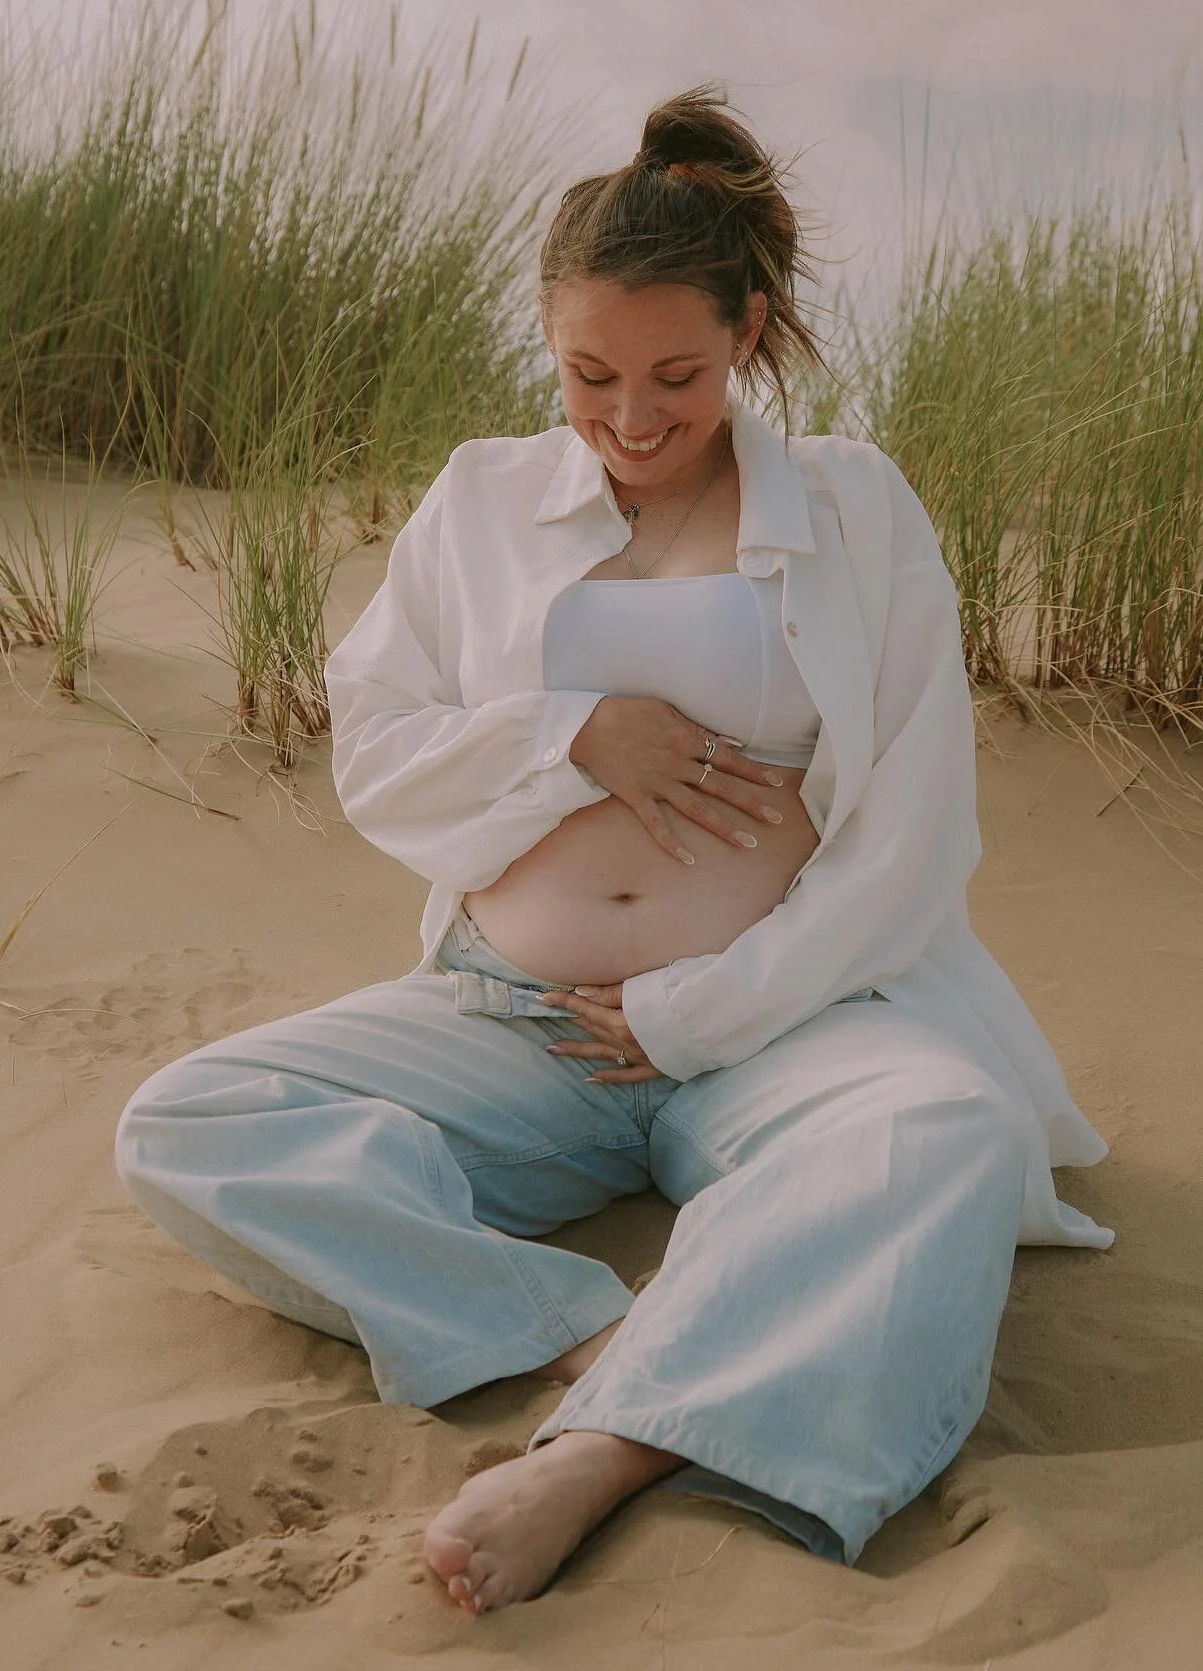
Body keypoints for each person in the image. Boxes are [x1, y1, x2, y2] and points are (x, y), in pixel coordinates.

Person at [114, 84, 1113, 1616]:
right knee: (192, 1119)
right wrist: (574, 733)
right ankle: (586, 1330)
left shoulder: (856, 510)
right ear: (545, 339)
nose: (633, 420)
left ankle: (609, 1449)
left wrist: (696, 1010)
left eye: (678, 377)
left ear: (748, 332)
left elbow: (917, 831)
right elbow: (376, 749)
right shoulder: (481, 500)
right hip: (514, 1020)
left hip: (783, 1018)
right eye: (590, 376)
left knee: (947, 1136)